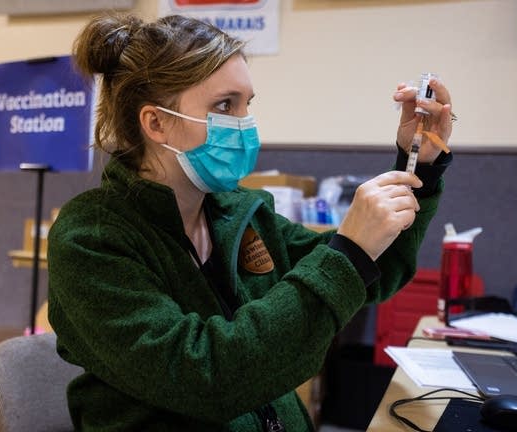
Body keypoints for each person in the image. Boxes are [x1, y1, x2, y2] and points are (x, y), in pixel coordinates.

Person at [47, 12, 453, 432]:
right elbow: (206, 376)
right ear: (156, 123)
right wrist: (347, 250)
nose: (245, 124)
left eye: (247, 105)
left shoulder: (238, 211)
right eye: (225, 106)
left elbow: (367, 274)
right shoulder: (91, 239)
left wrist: (419, 166)